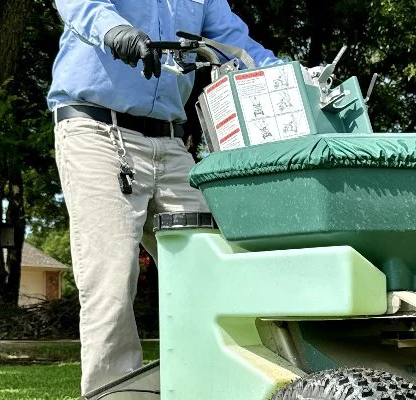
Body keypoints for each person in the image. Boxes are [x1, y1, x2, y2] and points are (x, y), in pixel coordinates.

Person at [47, 1, 281, 395]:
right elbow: (83, 5)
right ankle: (116, 394)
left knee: (217, 266)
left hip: (172, 144)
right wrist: (117, 31)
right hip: (97, 131)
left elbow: (237, 46)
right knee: (112, 279)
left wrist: (290, 77)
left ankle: (214, 384)